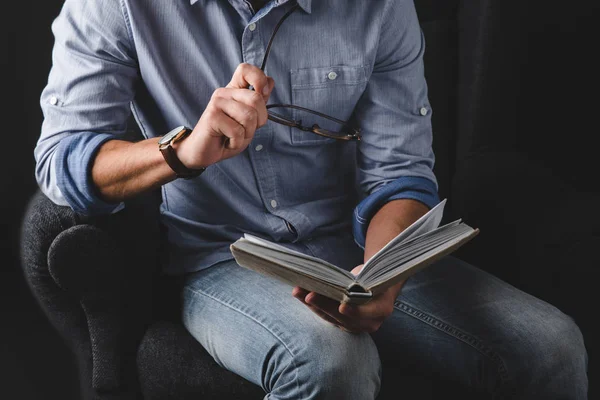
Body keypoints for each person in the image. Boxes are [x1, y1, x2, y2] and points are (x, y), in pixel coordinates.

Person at [34, 0, 588, 398]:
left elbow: (400, 172)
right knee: (331, 363)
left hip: (353, 250)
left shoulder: (381, 8)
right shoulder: (115, 6)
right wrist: (182, 151)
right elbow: (62, 162)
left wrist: (382, 276)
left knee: (553, 347)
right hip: (220, 258)